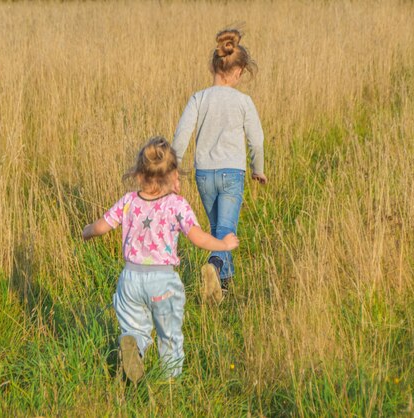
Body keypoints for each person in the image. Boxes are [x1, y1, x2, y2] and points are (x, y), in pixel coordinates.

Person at [82, 136, 239, 383]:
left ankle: (134, 344)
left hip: (130, 278)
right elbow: (198, 237)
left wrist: (87, 231)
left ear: (139, 174)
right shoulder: (177, 205)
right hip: (163, 280)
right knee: (170, 334)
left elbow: (101, 226)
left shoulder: (129, 201)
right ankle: (170, 383)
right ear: (173, 175)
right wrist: (223, 244)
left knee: (135, 327)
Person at [172, 28, 266, 303]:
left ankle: (222, 289)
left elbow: (181, 136)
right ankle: (214, 265)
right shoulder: (243, 102)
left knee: (219, 230)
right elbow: (257, 141)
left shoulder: (198, 99)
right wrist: (257, 168)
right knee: (225, 231)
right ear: (237, 73)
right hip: (232, 174)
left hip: (204, 174)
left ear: (214, 65)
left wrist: (174, 170)